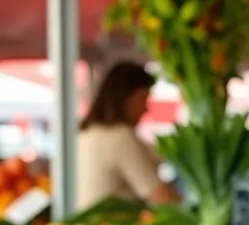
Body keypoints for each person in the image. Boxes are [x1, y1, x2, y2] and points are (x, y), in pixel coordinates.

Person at [76, 62, 179, 211]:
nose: (146, 109)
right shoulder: (120, 136)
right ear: (127, 97)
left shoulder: (86, 132)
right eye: (144, 99)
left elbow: (152, 153)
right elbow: (161, 197)